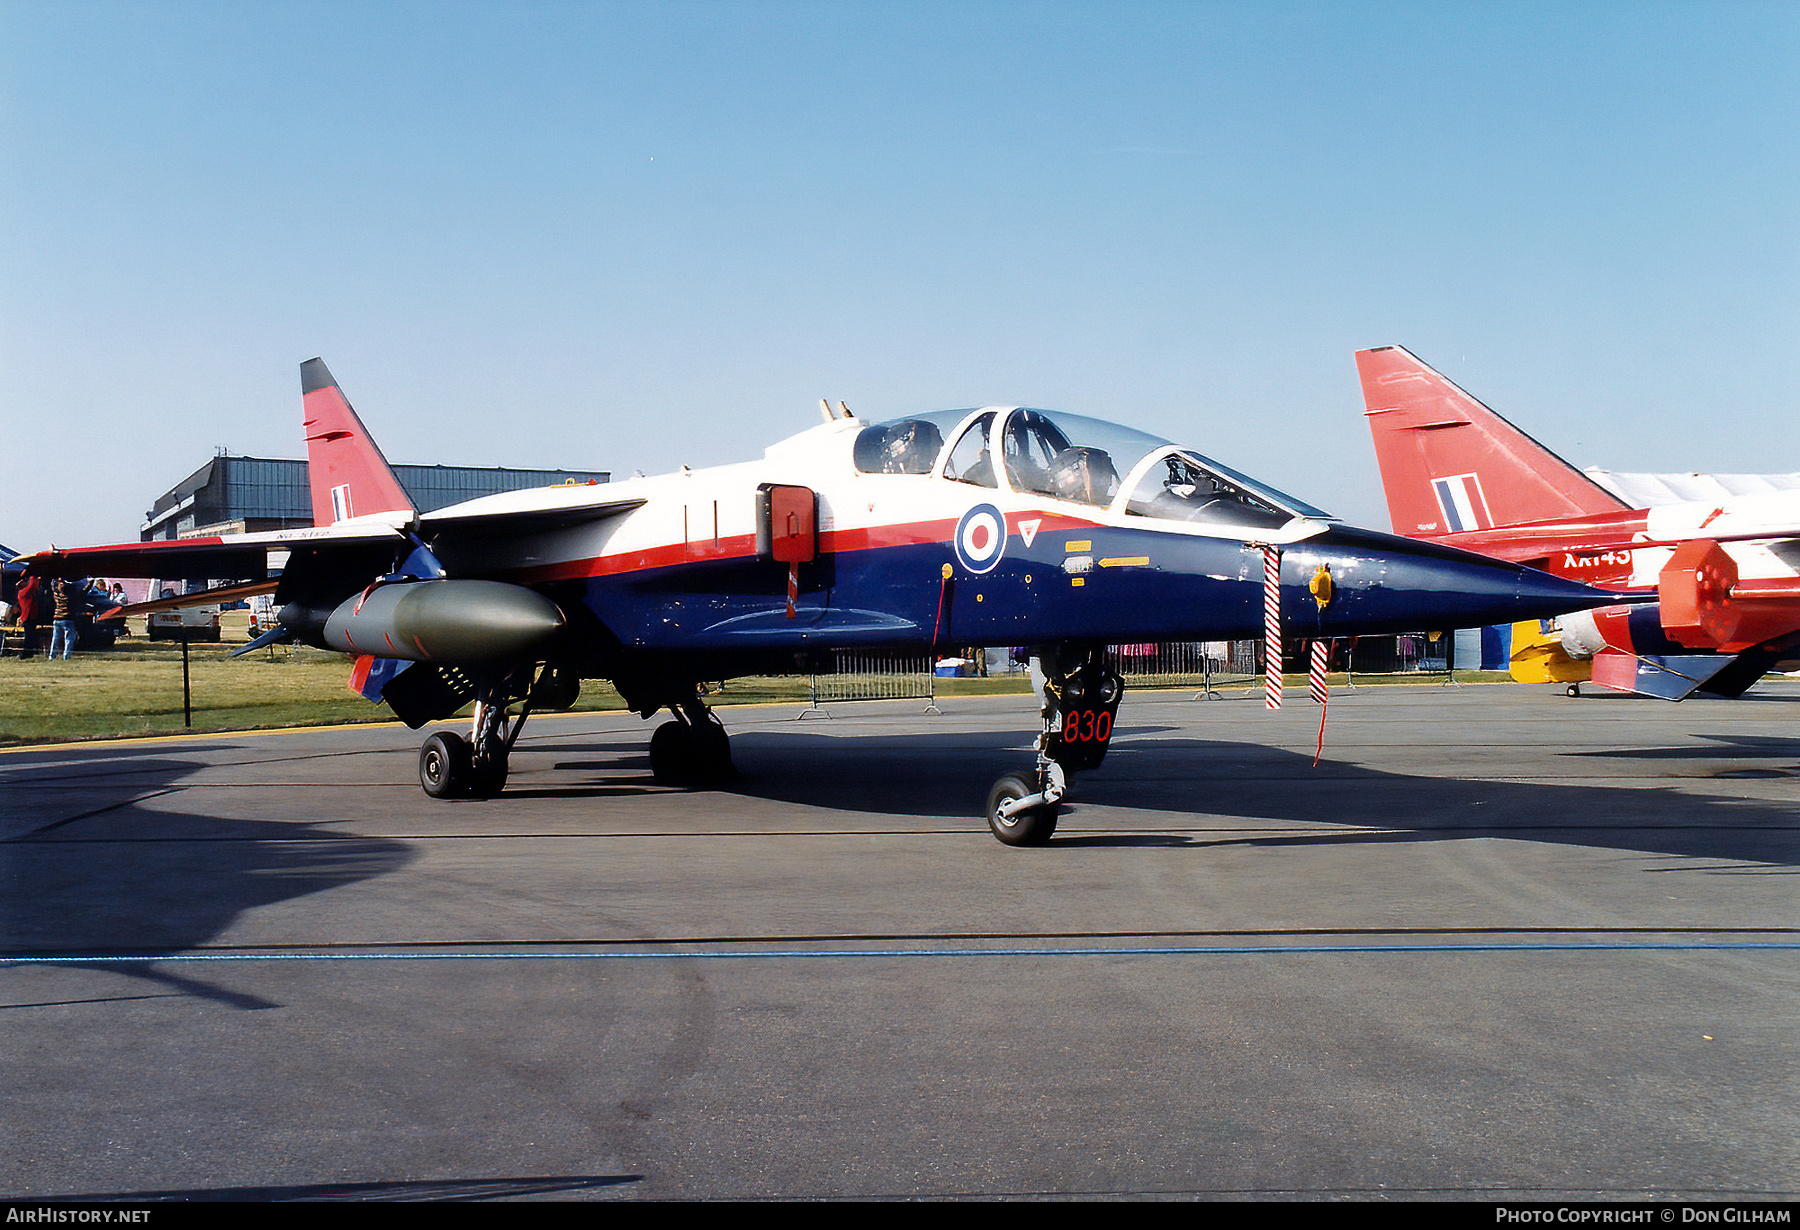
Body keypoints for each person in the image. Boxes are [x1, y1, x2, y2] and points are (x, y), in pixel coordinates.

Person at [47, 576, 79, 660]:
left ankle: (52, 656)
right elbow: (83, 592)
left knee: (56, 638)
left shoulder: (57, 595)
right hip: (67, 618)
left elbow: (52, 586)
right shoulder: (70, 597)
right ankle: (66, 656)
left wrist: (56, 579)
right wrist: (90, 583)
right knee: (69, 638)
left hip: (57, 618)